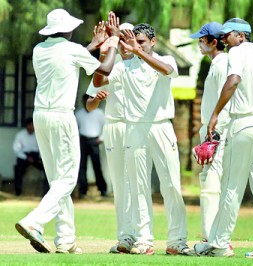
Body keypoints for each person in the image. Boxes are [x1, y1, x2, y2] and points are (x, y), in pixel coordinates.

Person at [15, 8, 120, 254]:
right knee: (68, 178)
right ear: (68, 29)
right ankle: (34, 221)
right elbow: (104, 70)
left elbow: (65, 59)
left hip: (40, 116)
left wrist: (92, 45)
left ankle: (65, 239)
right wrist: (112, 42)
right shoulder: (72, 50)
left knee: (57, 180)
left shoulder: (39, 49)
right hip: (61, 116)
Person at [93, 23, 193, 256]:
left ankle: (177, 241)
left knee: (171, 185)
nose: (136, 45)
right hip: (134, 129)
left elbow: (168, 71)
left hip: (160, 127)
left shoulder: (164, 59)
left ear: (152, 41)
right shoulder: (123, 66)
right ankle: (144, 239)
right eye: (133, 41)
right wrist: (110, 46)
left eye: (141, 42)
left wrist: (137, 52)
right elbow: (98, 81)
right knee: (138, 187)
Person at [194, 18, 253, 258]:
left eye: (227, 35)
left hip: (243, 124)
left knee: (231, 186)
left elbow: (233, 81)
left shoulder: (237, 52)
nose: (223, 39)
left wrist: (214, 115)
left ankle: (219, 244)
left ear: (241, 36)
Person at [86, 22, 136, 254]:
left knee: (137, 182)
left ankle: (141, 236)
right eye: (119, 36)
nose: (122, 40)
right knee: (119, 183)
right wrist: (98, 100)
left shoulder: (142, 62)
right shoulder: (108, 65)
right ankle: (124, 237)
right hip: (115, 126)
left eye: (127, 36)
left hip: (137, 127)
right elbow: (89, 103)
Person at [190, 23, 230, 243]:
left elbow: (228, 98)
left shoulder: (221, 64)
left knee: (211, 184)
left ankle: (212, 237)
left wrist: (214, 133)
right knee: (210, 181)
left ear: (214, 42)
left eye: (202, 40)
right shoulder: (217, 64)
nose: (198, 43)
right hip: (212, 129)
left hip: (216, 130)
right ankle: (213, 235)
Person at [75, 94, 107, 198]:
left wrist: (101, 138)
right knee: (82, 166)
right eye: (84, 101)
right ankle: (83, 190)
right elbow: (75, 129)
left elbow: (106, 126)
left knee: (97, 165)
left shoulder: (99, 113)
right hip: (83, 140)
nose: (86, 104)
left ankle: (102, 189)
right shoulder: (79, 114)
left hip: (95, 140)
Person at [13, 117, 48, 196]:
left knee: (47, 168)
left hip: (36, 156)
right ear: (27, 126)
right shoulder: (20, 135)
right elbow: (16, 149)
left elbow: (42, 148)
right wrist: (26, 158)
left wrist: (40, 158)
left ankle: (46, 191)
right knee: (18, 168)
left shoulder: (39, 135)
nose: (31, 127)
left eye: (33, 125)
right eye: (30, 125)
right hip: (24, 156)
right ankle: (18, 191)